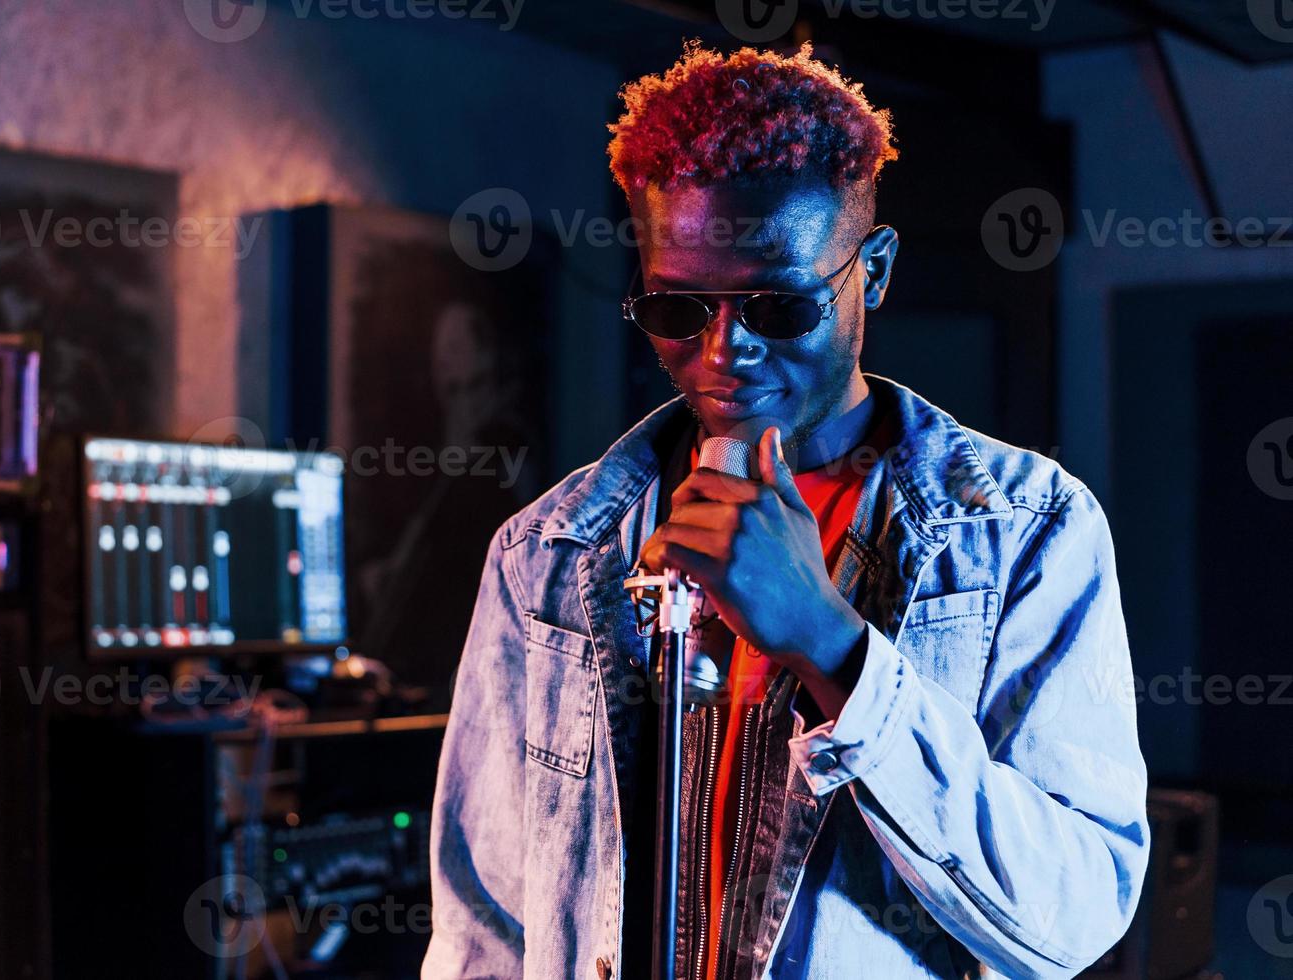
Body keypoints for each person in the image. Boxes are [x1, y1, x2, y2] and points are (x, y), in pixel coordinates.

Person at [423, 42, 1148, 979]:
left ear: (873, 273)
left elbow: (1075, 913)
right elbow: (483, 929)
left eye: (777, 308)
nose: (726, 353)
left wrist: (830, 643)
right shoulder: (550, 551)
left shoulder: (1027, 530)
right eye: (677, 311)